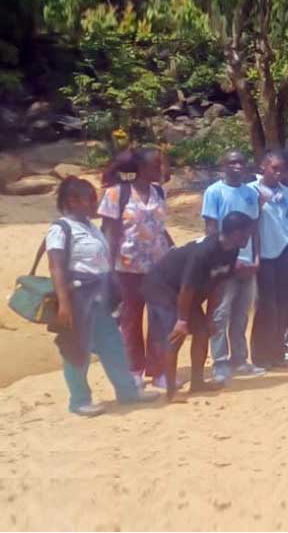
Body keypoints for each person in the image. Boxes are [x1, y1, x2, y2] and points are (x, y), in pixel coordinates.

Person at [41, 178, 160, 415]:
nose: (94, 203)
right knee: (76, 348)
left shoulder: (90, 226)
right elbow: (55, 266)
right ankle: (79, 400)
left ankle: (127, 392)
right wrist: (64, 303)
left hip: (100, 297)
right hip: (77, 297)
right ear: (71, 201)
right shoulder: (60, 228)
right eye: (89, 199)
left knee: (113, 345)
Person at [144, 212, 255, 399]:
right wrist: (181, 320)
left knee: (203, 331)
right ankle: (171, 391)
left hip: (186, 292)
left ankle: (197, 383)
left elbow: (217, 285)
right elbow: (186, 287)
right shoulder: (204, 252)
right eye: (246, 233)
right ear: (235, 233)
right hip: (163, 287)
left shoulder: (232, 249)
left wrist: (210, 316)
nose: (248, 238)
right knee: (176, 336)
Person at [97, 147, 170, 387]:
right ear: (140, 168)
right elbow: (109, 234)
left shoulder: (159, 192)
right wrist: (108, 272)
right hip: (127, 269)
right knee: (130, 320)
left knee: (159, 319)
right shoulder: (117, 194)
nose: (160, 170)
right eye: (155, 166)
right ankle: (134, 370)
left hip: (159, 268)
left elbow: (159, 228)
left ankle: (158, 369)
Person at [201, 150, 262, 383]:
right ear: (223, 165)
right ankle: (220, 362)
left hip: (248, 263)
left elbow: (255, 228)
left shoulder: (250, 193)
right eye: (232, 162)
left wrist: (257, 258)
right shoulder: (214, 192)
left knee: (241, 314)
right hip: (224, 264)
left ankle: (240, 359)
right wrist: (226, 260)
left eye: (241, 162)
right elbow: (211, 230)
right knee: (220, 314)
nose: (238, 166)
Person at [250, 150, 288, 370]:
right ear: (263, 166)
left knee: (282, 305)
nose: (278, 173)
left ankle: (277, 352)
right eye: (274, 168)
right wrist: (254, 256)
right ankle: (260, 355)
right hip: (263, 255)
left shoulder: (286, 193)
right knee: (266, 306)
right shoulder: (252, 191)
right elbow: (251, 226)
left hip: (283, 254)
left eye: (281, 169)